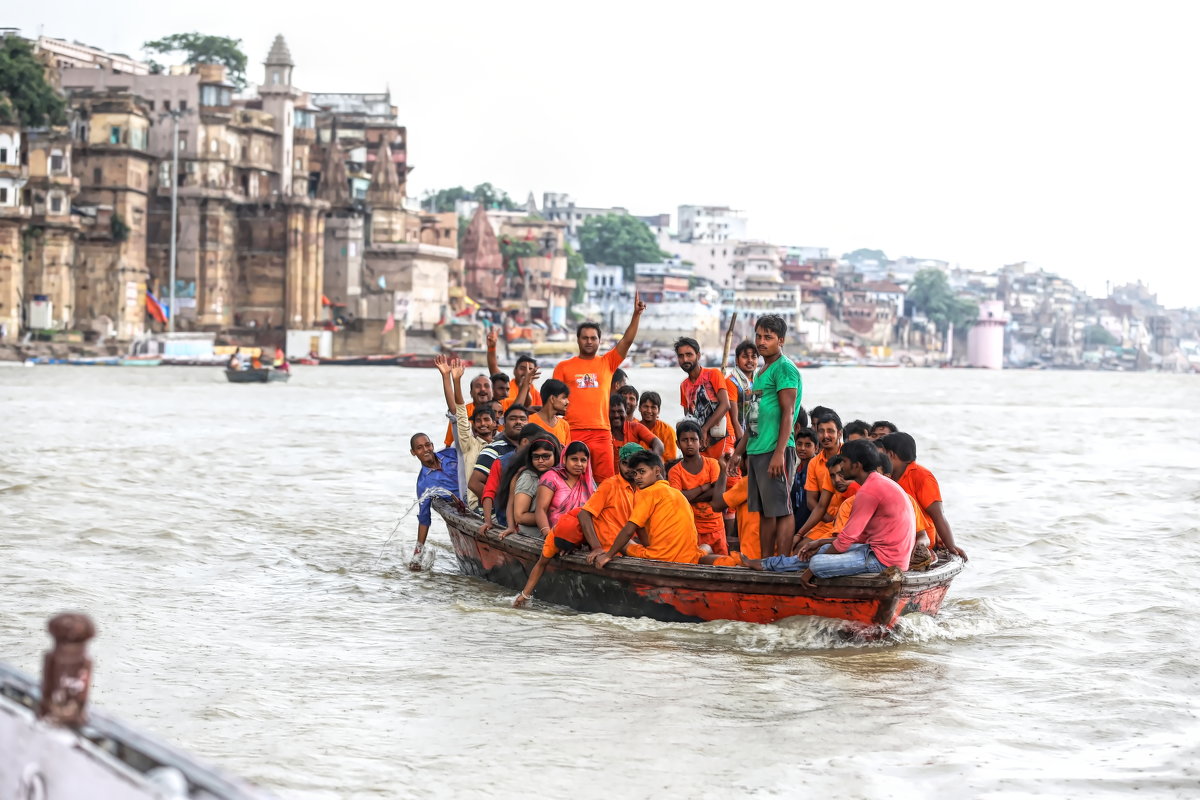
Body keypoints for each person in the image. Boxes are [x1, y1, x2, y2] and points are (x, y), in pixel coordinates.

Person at [745, 440, 915, 581]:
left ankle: (772, 564)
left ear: (856, 466)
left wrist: (812, 571)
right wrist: (819, 543)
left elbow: (845, 541)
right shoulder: (875, 483)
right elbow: (857, 537)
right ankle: (768, 564)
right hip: (875, 551)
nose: (841, 467)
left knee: (817, 563)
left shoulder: (869, 490)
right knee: (819, 550)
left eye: (845, 462)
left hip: (885, 561)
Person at [552, 293, 645, 481]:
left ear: (599, 341)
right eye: (585, 338)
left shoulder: (607, 362)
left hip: (602, 433)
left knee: (606, 481)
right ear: (577, 340)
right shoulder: (564, 367)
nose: (589, 341)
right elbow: (553, 402)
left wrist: (636, 315)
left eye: (593, 338)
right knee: (572, 481)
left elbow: (626, 341)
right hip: (572, 431)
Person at [734, 314, 801, 558]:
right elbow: (752, 418)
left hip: (776, 449)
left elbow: (788, 412)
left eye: (768, 337)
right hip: (757, 450)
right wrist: (738, 453)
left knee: (781, 509)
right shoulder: (761, 372)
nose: (762, 342)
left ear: (780, 340)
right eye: (759, 336)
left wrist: (779, 454)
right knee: (764, 511)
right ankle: (764, 561)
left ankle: (780, 563)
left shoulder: (785, 368)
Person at [509, 443, 597, 604]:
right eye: (574, 459)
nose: (579, 464)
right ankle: (525, 595)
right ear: (564, 459)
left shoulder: (589, 483)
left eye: (583, 460)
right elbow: (541, 510)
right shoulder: (552, 477)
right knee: (544, 561)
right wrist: (550, 536)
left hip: (580, 539)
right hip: (557, 534)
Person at [587, 450, 703, 568]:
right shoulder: (677, 493)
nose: (637, 477)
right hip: (687, 557)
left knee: (624, 543)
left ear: (657, 471)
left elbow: (629, 530)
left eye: (642, 472)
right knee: (706, 547)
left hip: (662, 558)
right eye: (635, 474)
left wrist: (608, 555)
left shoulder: (648, 492)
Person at [878, 432, 968, 560]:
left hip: (921, 543)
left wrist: (951, 546)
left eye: (882, 454)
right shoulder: (887, 476)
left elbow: (938, 515)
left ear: (891, 455)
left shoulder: (922, 476)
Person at [434, 356, 495, 509]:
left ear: (495, 423)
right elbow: (457, 411)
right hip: (472, 498)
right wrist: (449, 378)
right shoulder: (467, 439)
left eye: (486, 386)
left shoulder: (501, 428)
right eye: (478, 386)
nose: (483, 424)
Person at [478, 424, 553, 534]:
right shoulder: (502, 463)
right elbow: (489, 493)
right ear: (525, 442)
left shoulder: (541, 462)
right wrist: (488, 521)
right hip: (507, 521)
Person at [667, 421, 727, 554]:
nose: (689, 444)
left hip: (716, 528)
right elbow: (678, 499)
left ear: (701, 442)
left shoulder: (712, 464)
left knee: (722, 565)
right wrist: (704, 487)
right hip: (692, 529)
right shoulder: (675, 471)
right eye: (684, 440)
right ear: (678, 444)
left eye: (693, 439)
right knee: (696, 563)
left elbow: (717, 494)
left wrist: (689, 495)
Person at [409, 432, 462, 570]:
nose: (425, 449)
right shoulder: (423, 483)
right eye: (420, 447)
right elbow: (424, 519)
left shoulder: (451, 454)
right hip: (465, 509)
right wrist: (417, 556)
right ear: (413, 452)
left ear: (432, 445)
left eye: (427, 445)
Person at [675, 337, 733, 461]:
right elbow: (689, 416)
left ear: (698, 355)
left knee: (729, 477)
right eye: (681, 356)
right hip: (701, 444)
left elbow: (725, 405)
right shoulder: (684, 385)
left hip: (722, 438)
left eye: (689, 355)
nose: (685, 359)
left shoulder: (713, 375)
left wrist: (704, 429)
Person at [495, 437, 563, 538]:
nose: (540, 461)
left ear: (555, 456)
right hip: (534, 535)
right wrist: (558, 517)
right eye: (536, 457)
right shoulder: (529, 477)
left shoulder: (560, 474)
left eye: (546, 457)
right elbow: (519, 516)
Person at [794, 412, 843, 544]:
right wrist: (828, 519)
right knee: (799, 549)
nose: (825, 436)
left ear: (839, 433)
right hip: (824, 520)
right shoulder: (814, 463)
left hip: (848, 520)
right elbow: (811, 501)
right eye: (821, 431)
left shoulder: (849, 455)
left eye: (830, 431)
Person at [467, 404, 529, 502]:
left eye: (522, 419)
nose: (518, 422)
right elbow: (474, 484)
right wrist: (499, 506)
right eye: (513, 419)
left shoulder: (531, 448)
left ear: (528, 423)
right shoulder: (493, 449)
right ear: (504, 424)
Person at [710, 452, 761, 559]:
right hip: (767, 554)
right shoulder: (772, 478)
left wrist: (723, 470)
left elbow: (716, 505)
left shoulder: (749, 481)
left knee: (704, 558)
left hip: (752, 555)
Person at [486, 329, 543, 408]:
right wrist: (492, 348)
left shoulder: (536, 394)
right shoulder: (505, 386)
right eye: (522, 368)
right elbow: (493, 367)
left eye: (530, 369)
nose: (526, 372)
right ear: (514, 371)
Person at [609, 393, 663, 464]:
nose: (616, 415)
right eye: (612, 412)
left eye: (620, 411)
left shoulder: (635, 427)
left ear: (625, 411)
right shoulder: (603, 432)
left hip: (633, 473)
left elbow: (658, 443)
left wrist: (653, 459)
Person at [444, 373, 493, 445]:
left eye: (486, 386)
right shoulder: (463, 412)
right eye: (478, 386)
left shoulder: (500, 410)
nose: (482, 389)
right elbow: (449, 444)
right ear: (471, 393)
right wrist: (446, 375)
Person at [791, 426, 818, 530]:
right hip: (798, 519)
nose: (802, 448)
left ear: (815, 448)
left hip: (810, 521)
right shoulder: (798, 467)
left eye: (808, 445)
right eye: (799, 444)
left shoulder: (816, 468)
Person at [728, 340, 758, 432]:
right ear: (737, 360)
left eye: (753, 357)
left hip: (758, 433)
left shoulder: (759, 380)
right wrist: (740, 442)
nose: (750, 360)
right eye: (745, 357)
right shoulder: (731, 382)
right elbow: (734, 420)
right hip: (740, 434)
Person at [638, 391, 677, 461]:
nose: (649, 411)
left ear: (658, 410)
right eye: (646, 406)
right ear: (639, 408)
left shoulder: (668, 431)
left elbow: (671, 460)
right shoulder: (633, 428)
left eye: (653, 407)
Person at [531, 378, 571, 446]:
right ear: (552, 399)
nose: (568, 402)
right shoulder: (530, 421)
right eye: (564, 398)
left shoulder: (564, 425)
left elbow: (566, 454)